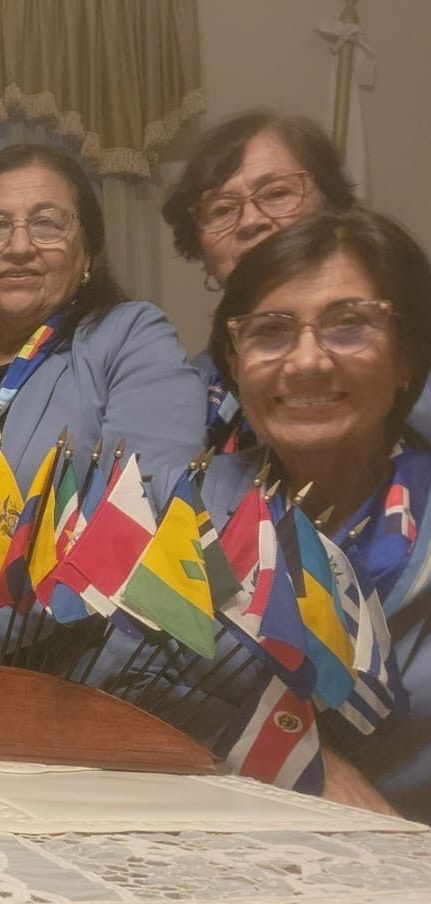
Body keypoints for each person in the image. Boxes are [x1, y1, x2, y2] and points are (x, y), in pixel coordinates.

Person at [184, 209, 431, 819]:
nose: (306, 362)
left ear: (405, 360)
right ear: (236, 367)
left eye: (349, 325)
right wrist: (304, 759)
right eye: (270, 332)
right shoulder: (191, 506)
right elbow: (118, 683)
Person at [0, 144, 204, 504]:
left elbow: (142, 518)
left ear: (87, 255)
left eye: (46, 224)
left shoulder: (130, 340)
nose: (19, 247)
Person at [157, 111, 431, 452]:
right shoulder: (192, 387)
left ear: (332, 205)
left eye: (276, 194)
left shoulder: (402, 344)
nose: (251, 221)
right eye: (222, 210)